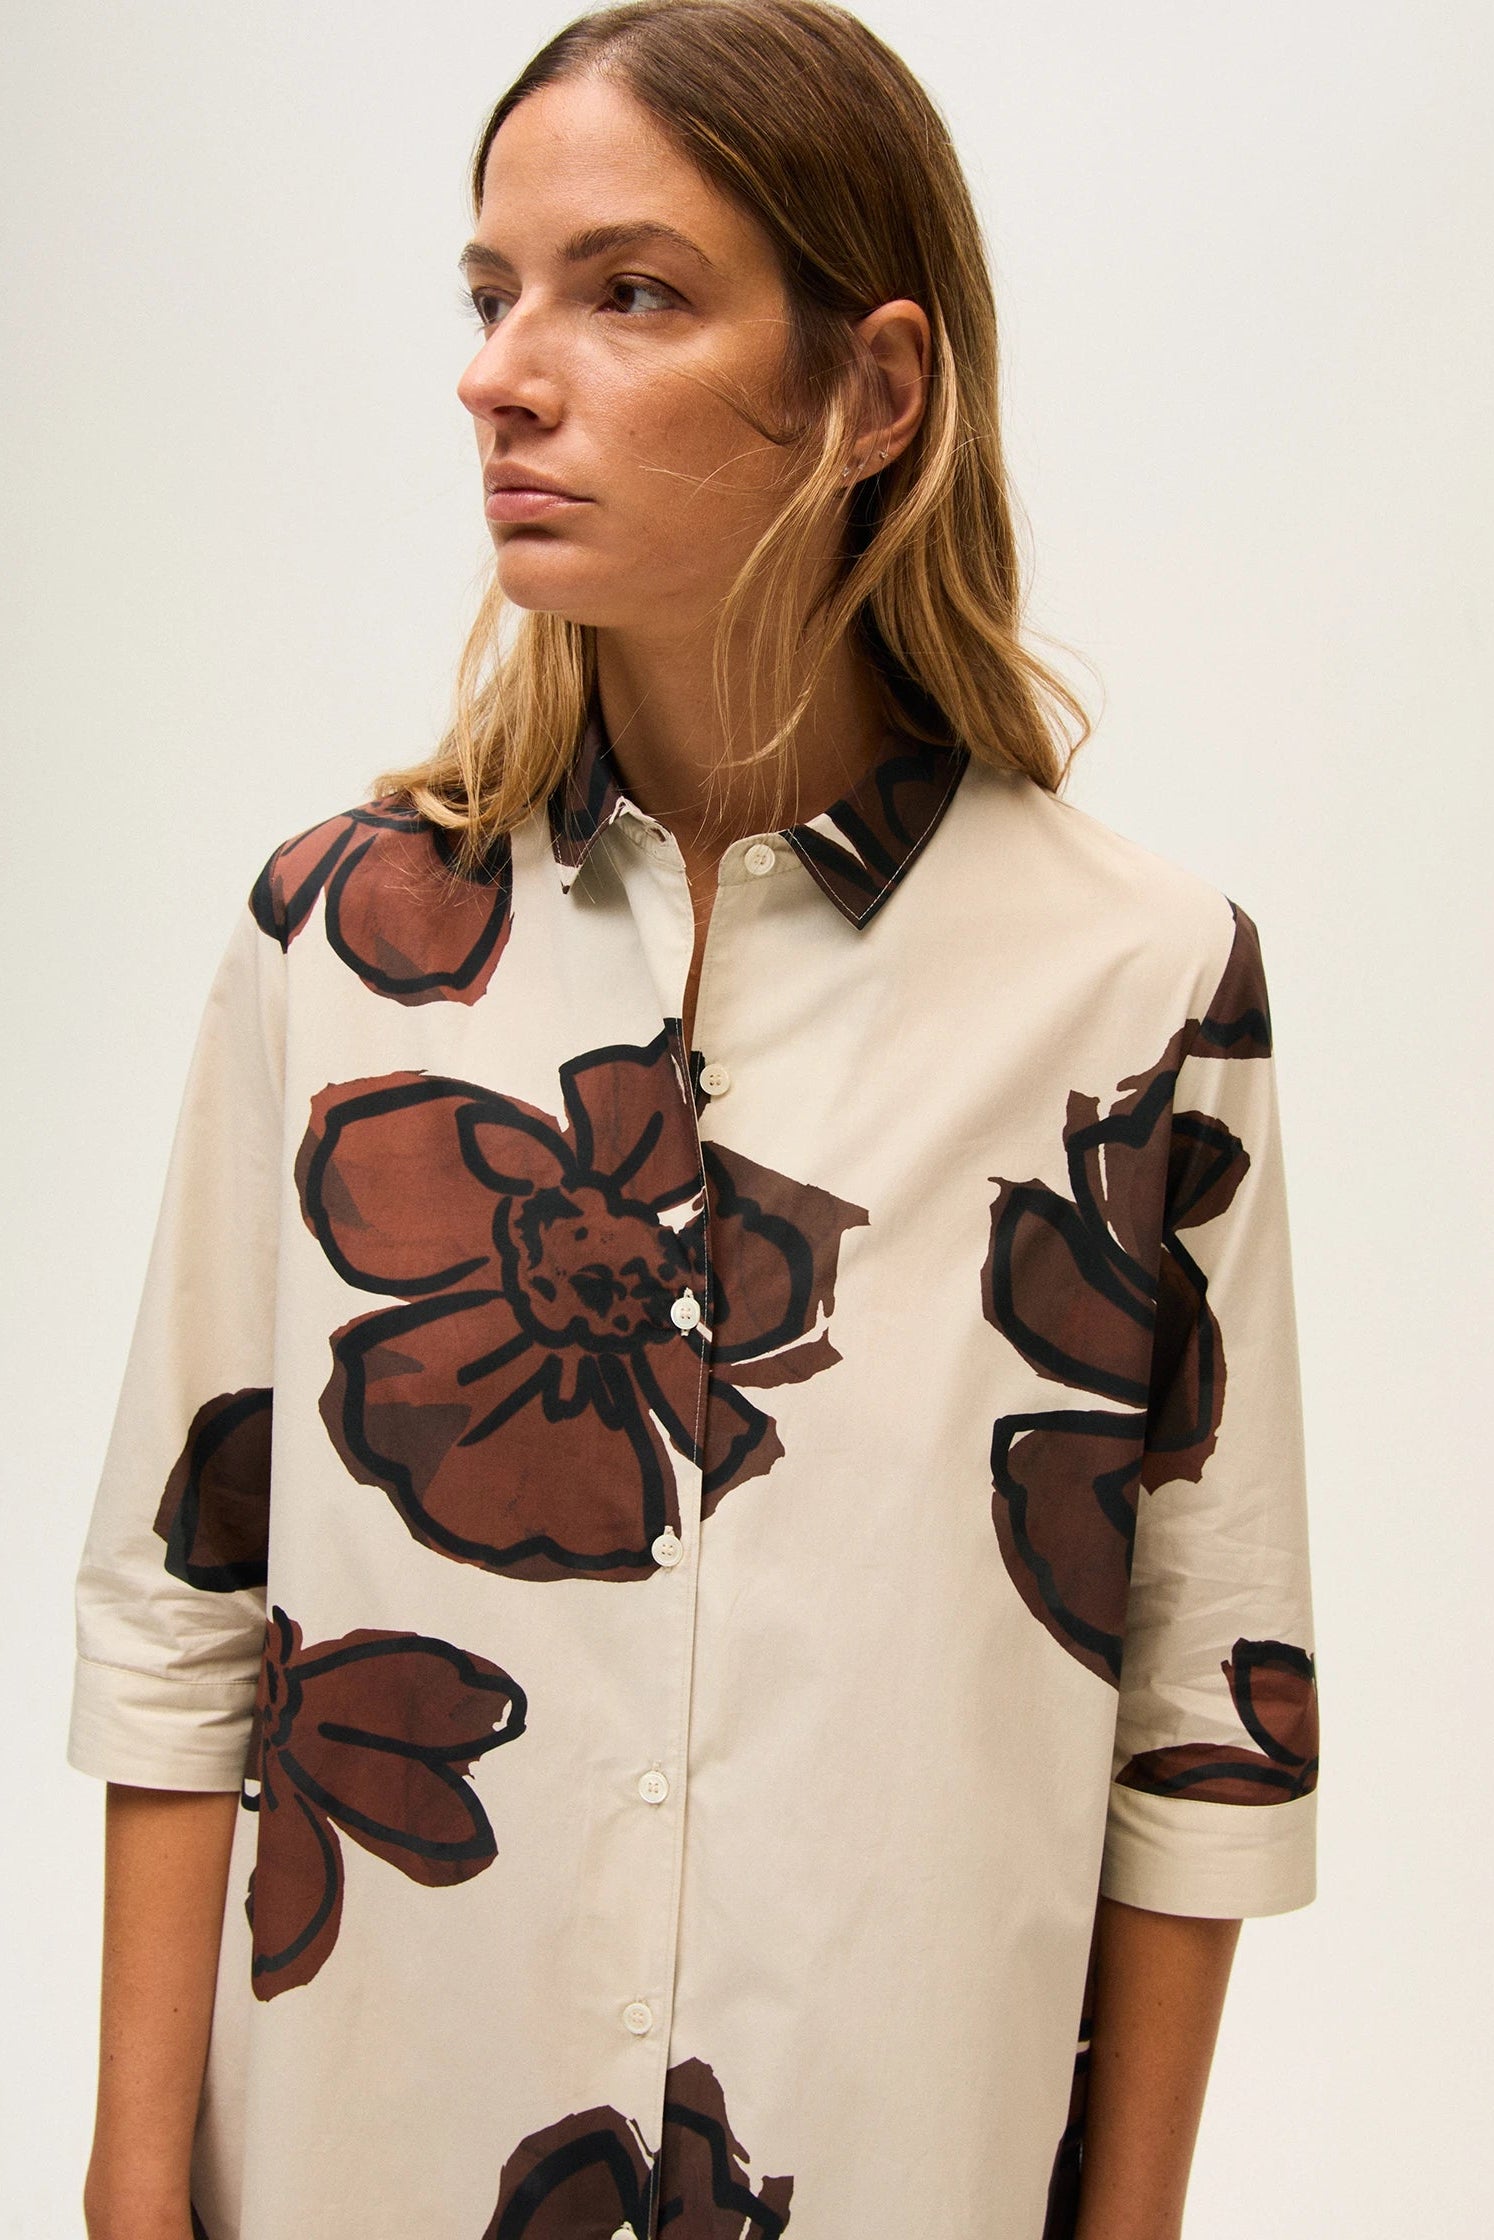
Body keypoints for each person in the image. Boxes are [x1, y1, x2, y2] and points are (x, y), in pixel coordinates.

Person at [70, 3, 1319, 2236]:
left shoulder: (1142, 992)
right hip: (370, 2146)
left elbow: (1201, 1703)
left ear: (874, 389)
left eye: (625, 291)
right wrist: (127, 2190)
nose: (502, 373)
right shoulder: (337, 940)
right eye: (490, 293)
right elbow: (188, 1585)